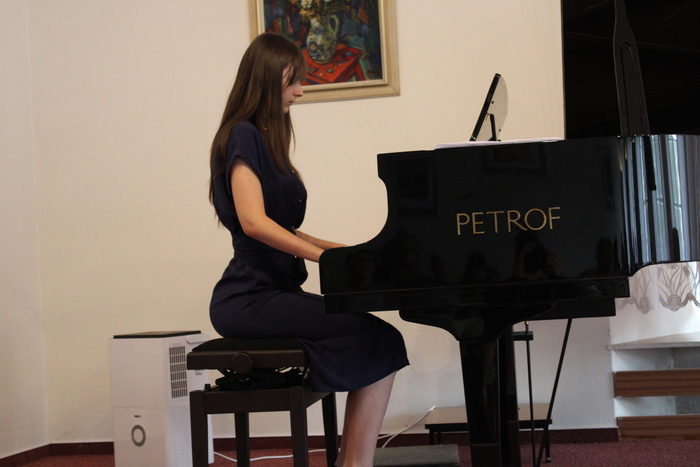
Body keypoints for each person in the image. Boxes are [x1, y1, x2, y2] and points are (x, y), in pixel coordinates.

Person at [208, 33, 408, 467]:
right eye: (293, 81)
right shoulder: (242, 135)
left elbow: (288, 230)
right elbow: (253, 223)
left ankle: (352, 462)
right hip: (247, 298)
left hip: (274, 292)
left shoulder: (264, 141)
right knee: (380, 338)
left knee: (384, 339)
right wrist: (328, 259)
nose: (300, 91)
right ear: (266, 79)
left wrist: (352, 251)